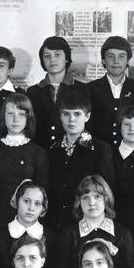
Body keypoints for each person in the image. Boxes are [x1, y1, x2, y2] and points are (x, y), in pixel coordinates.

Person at [55, 175, 134, 268]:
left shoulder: (123, 234)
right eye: (85, 198)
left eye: (97, 197)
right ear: (79, 202)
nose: (91, 203)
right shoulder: (69, 233)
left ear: (106, 199)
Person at [47, 93, 114, 230]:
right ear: (60, 117)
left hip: (87, 222)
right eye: (66, 114)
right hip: (56, 224)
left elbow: (106, 191)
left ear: (87, 116)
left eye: (77, 114)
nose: (71, 119)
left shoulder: (100, 148)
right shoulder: (53, 149)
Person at [0, 93, 48, 228]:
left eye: (21, 114)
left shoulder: (38, 152)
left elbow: (43, 194)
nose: (15, 119)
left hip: (28, 223)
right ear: (3, 116)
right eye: (10, 113)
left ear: (28, 117)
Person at [0, 180, 56, 268]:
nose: (31, 208)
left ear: (43, 208)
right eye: (26, 201)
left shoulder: (51, 238)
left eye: (37, 203)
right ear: (17, 201)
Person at [28, 36, 91, 147]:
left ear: (66, 58)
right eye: (47, 56)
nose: (52, 59)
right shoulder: (33, 92)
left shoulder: (82, 89)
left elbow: (89, 126)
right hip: (41, 152)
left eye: (57, 55)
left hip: (72, 151)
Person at [88, 36, 134, 147]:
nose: (116, 61)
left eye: (121, 56)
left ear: (128, 60)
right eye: (110, 56)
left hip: (130, 151)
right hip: (99, 152)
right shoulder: (90, 89)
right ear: (103, 60)